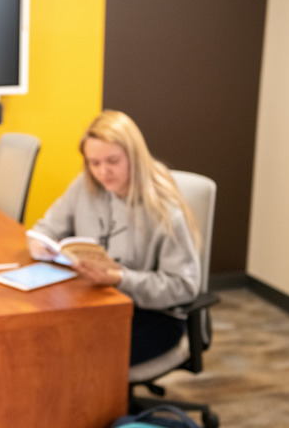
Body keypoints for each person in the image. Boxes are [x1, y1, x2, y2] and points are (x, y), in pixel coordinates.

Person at [27, 110, 202, 365]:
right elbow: (46, 228)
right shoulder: (84, 186)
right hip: (98, 303)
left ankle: (103, 405)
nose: (102, 172)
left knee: (75, 358)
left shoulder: (165, 210)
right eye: (93, 163)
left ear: (134, 157)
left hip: (153, 315)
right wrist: (40, 244)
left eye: (112, 161)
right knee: (41, 339)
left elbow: (183, 287)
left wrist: (121, 279)